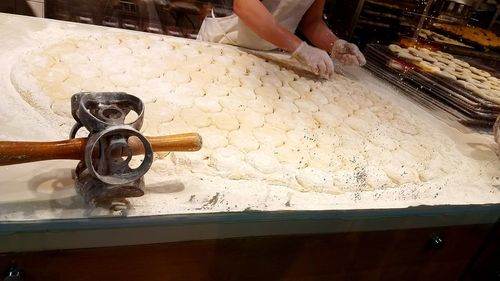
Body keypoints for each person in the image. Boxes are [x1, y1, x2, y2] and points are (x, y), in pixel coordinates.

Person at [197, 0, 366, 79]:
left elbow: (311, 22)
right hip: (224, 46)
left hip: (268, 58)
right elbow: (245, 6)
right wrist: (300, 49)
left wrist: (334, 44)